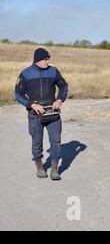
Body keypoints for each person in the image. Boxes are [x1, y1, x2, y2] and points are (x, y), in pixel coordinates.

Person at [15, 47, 68, 180]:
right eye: (46, 58)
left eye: (48, 58)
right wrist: (32, 104)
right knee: (37, 142)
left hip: (52, 112)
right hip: (35, 114)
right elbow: (18, 94)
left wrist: (60, 99)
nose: (48, 61)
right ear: (38, 60)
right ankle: (39, 166)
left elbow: (63, 85)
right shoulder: (26, 74)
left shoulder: (53, 71)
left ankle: (55, 168)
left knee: (56, 141)